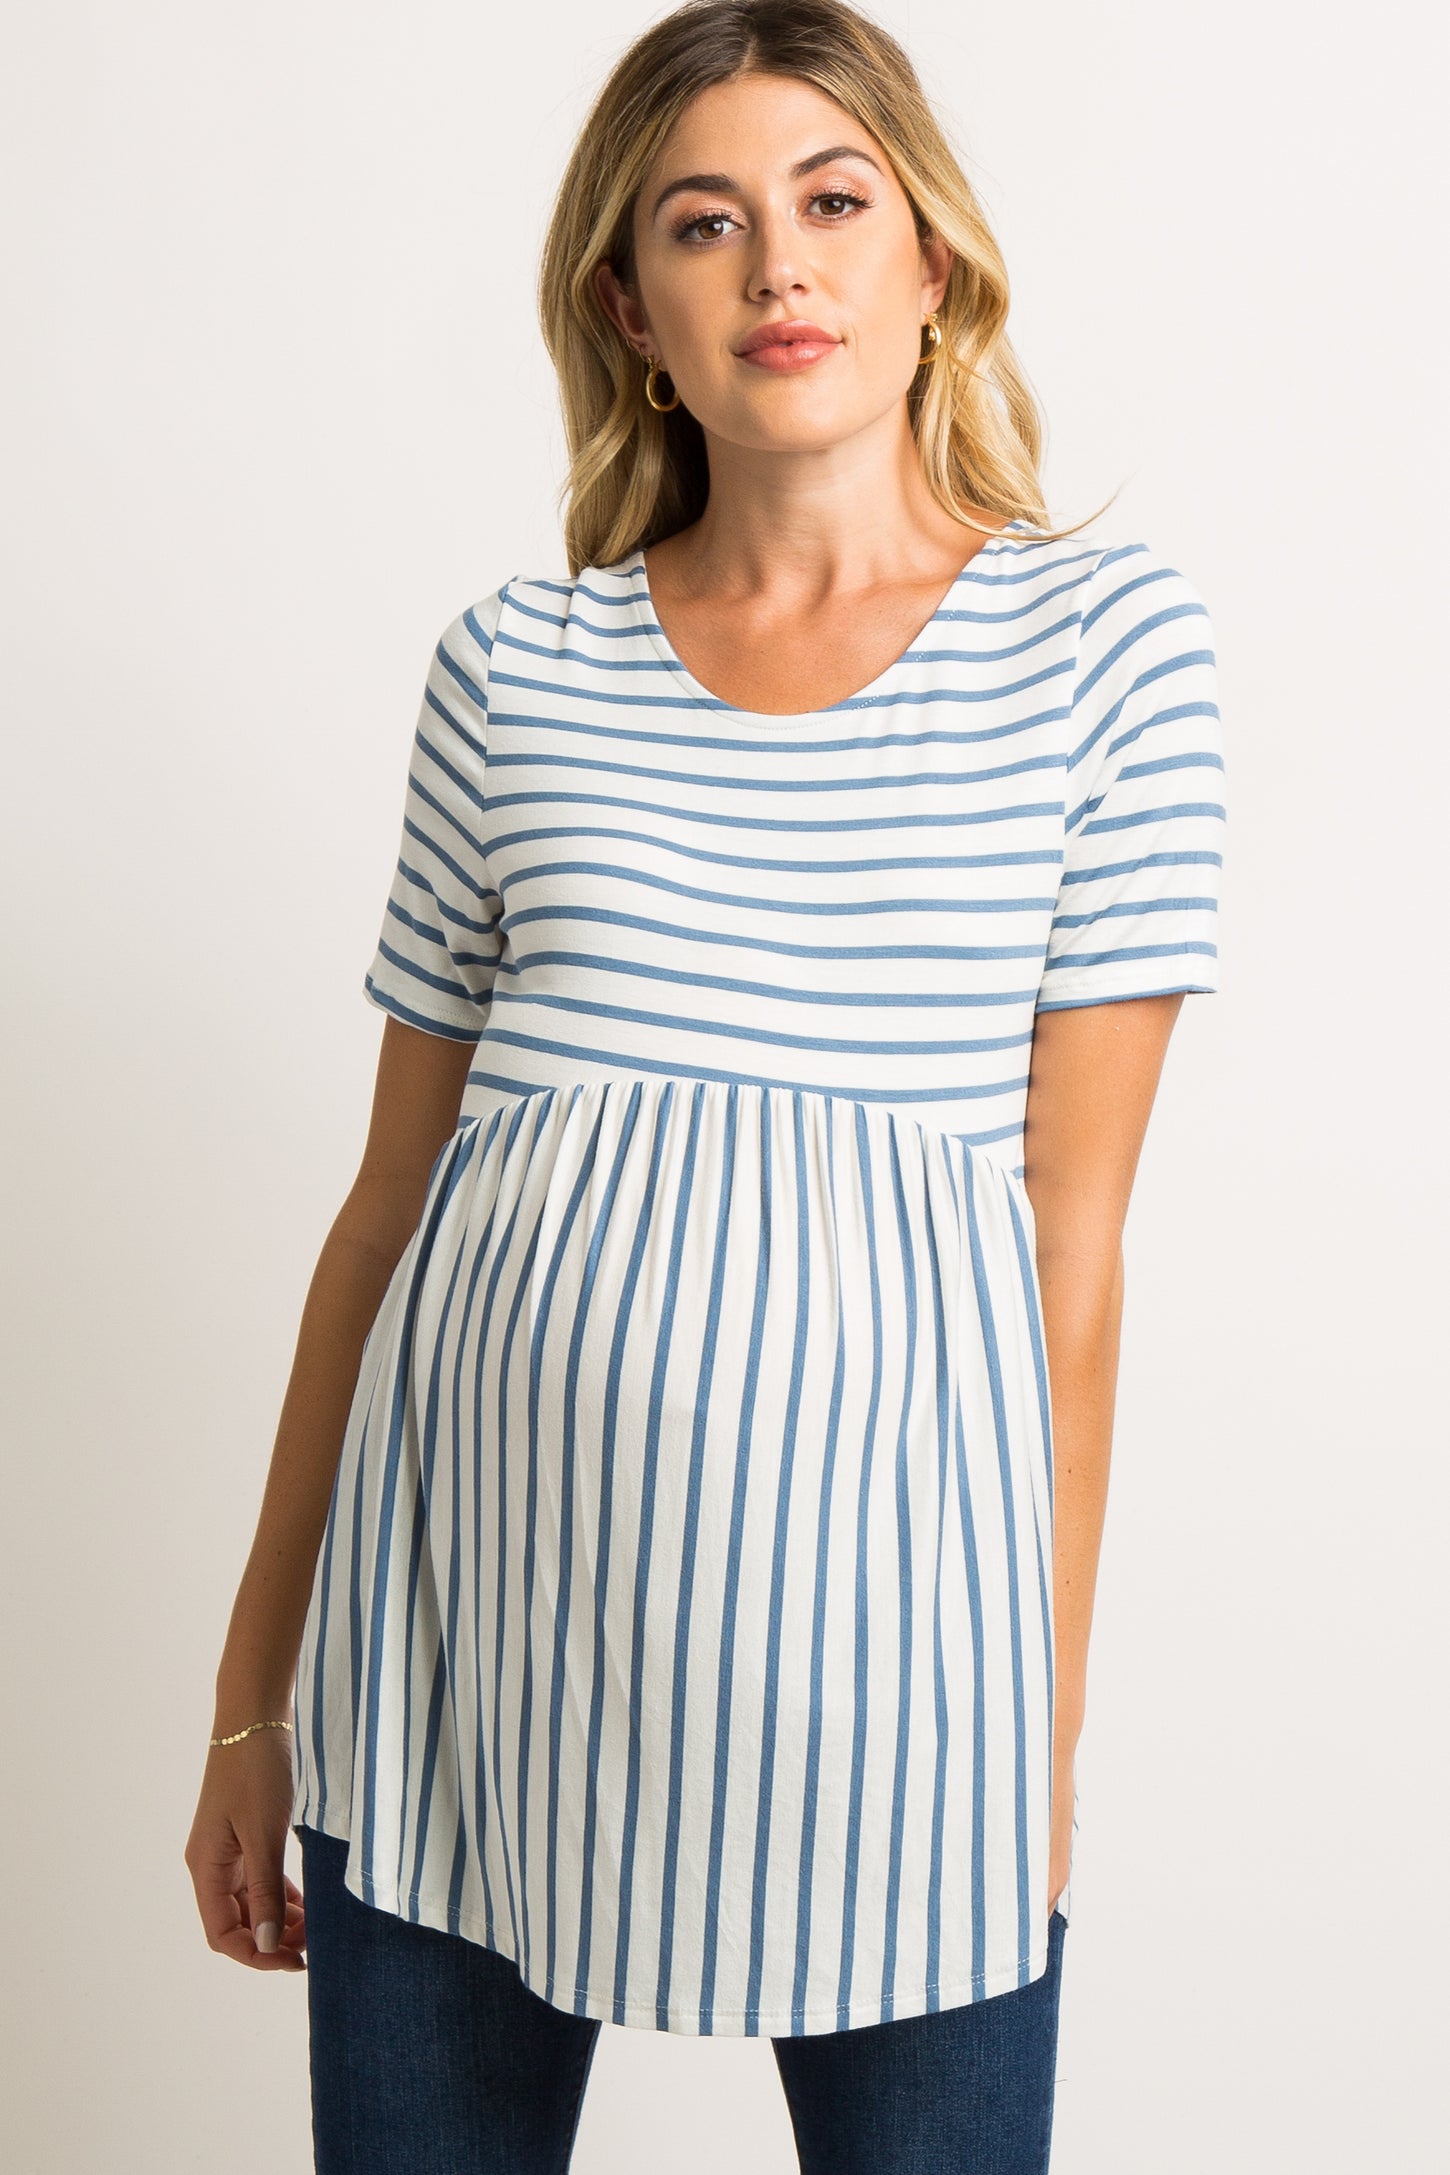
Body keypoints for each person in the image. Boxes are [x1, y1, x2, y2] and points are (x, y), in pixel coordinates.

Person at [185, 3, 1227, 2168]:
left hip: (898, 1679)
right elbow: (384, 1213)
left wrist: (1033, 1732)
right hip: (460, 1657)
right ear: (628, 311)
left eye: (834, 201)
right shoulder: (513, 666)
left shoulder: (1102, 650)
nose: (779, 265)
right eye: (703, 221)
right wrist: (247, 1701)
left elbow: (1074, 1244)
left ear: (929, 258)